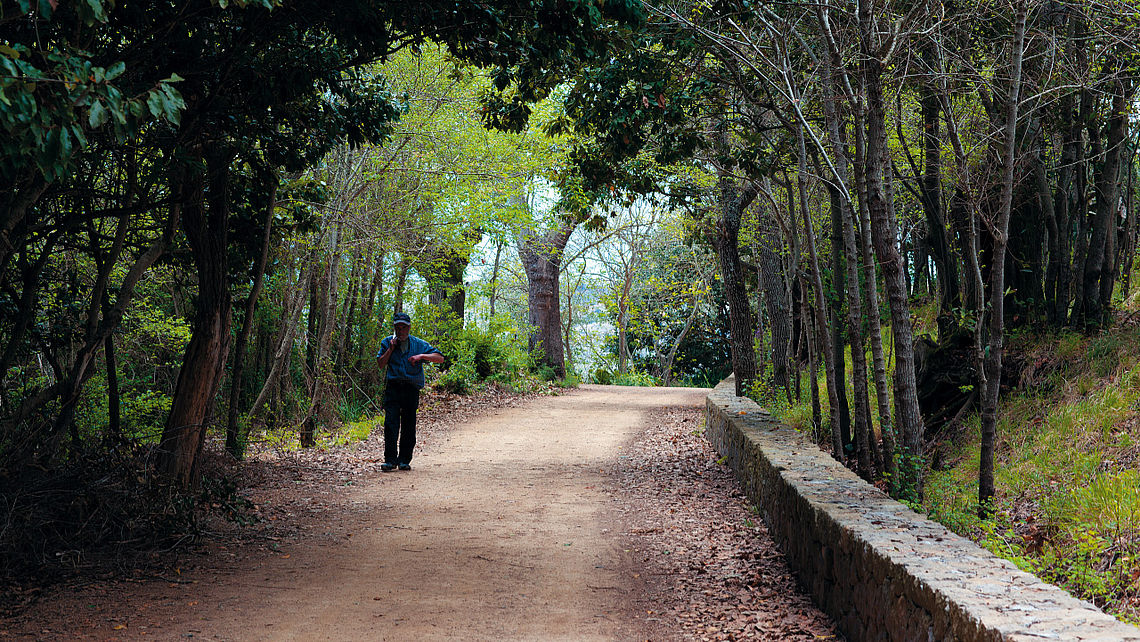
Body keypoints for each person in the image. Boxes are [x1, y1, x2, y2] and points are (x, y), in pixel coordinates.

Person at [375, 312, 444, 471]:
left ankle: (404, 460)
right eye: (397, 328)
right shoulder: (387, 342)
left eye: (404, 328)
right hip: (393, 387)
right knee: (390, 424)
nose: (401, 331)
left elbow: (440, 358)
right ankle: (390, 460)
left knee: (408, 424)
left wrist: (421, 356)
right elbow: (380, 363)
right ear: (394, 328)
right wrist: (391, 350)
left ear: (409, 328)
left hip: (411, 388)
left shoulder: (418, 344)